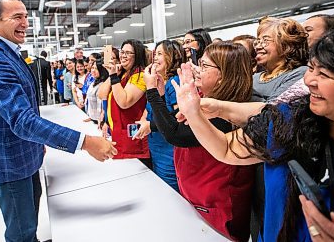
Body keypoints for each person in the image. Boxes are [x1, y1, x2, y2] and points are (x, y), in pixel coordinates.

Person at [172, 18, 334, 242]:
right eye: (311, 68)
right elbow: (226, 148)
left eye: (325, 74)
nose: (309, 80)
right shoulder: (290, 121)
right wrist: (194, 112)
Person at [0, 0, 117, 242]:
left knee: (31, 218)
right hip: (9, 161)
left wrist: (37, 142)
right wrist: (87, 142)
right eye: (17, 17)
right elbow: (22, 120)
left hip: (24, 153)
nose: (25, 23)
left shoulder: (7, 51)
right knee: (22, 232)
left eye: (26, 16)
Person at [144, 42, 255, 241]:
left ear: (223, 75)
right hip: (197, 197)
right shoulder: (207, 99)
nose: (197, 70)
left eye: (204, 66)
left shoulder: (227, 113)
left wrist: (152, 92)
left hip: (217, 206)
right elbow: (175, 122)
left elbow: (175, 134)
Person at [133, 40, 185, 191]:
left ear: (173, 56)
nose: (155, 57)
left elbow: (178, 117)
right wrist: (144, 118)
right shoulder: (157, 82)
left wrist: (150, 125)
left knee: (170, 191)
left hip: (169, 150)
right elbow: (150, 107)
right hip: (156, 146)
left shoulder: (175, 82)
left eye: (160, 54)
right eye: (155, 54)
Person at [105, 39, 150, 165]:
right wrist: (114, 75)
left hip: (132, 138)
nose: (123, 56)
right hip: (120, 134)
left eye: (128, 53)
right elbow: (102, 94)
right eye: (122, 52)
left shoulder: (140, 75)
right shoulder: (124, 74)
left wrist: (114, 76)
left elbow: (124, 102)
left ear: (137, 56)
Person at [252, 17, 308, 102]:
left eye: (265, 40)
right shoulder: (254, 77)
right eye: (258, 41)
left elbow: (272, 109)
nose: (258, 47)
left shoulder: (299, 73)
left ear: (286, 46)